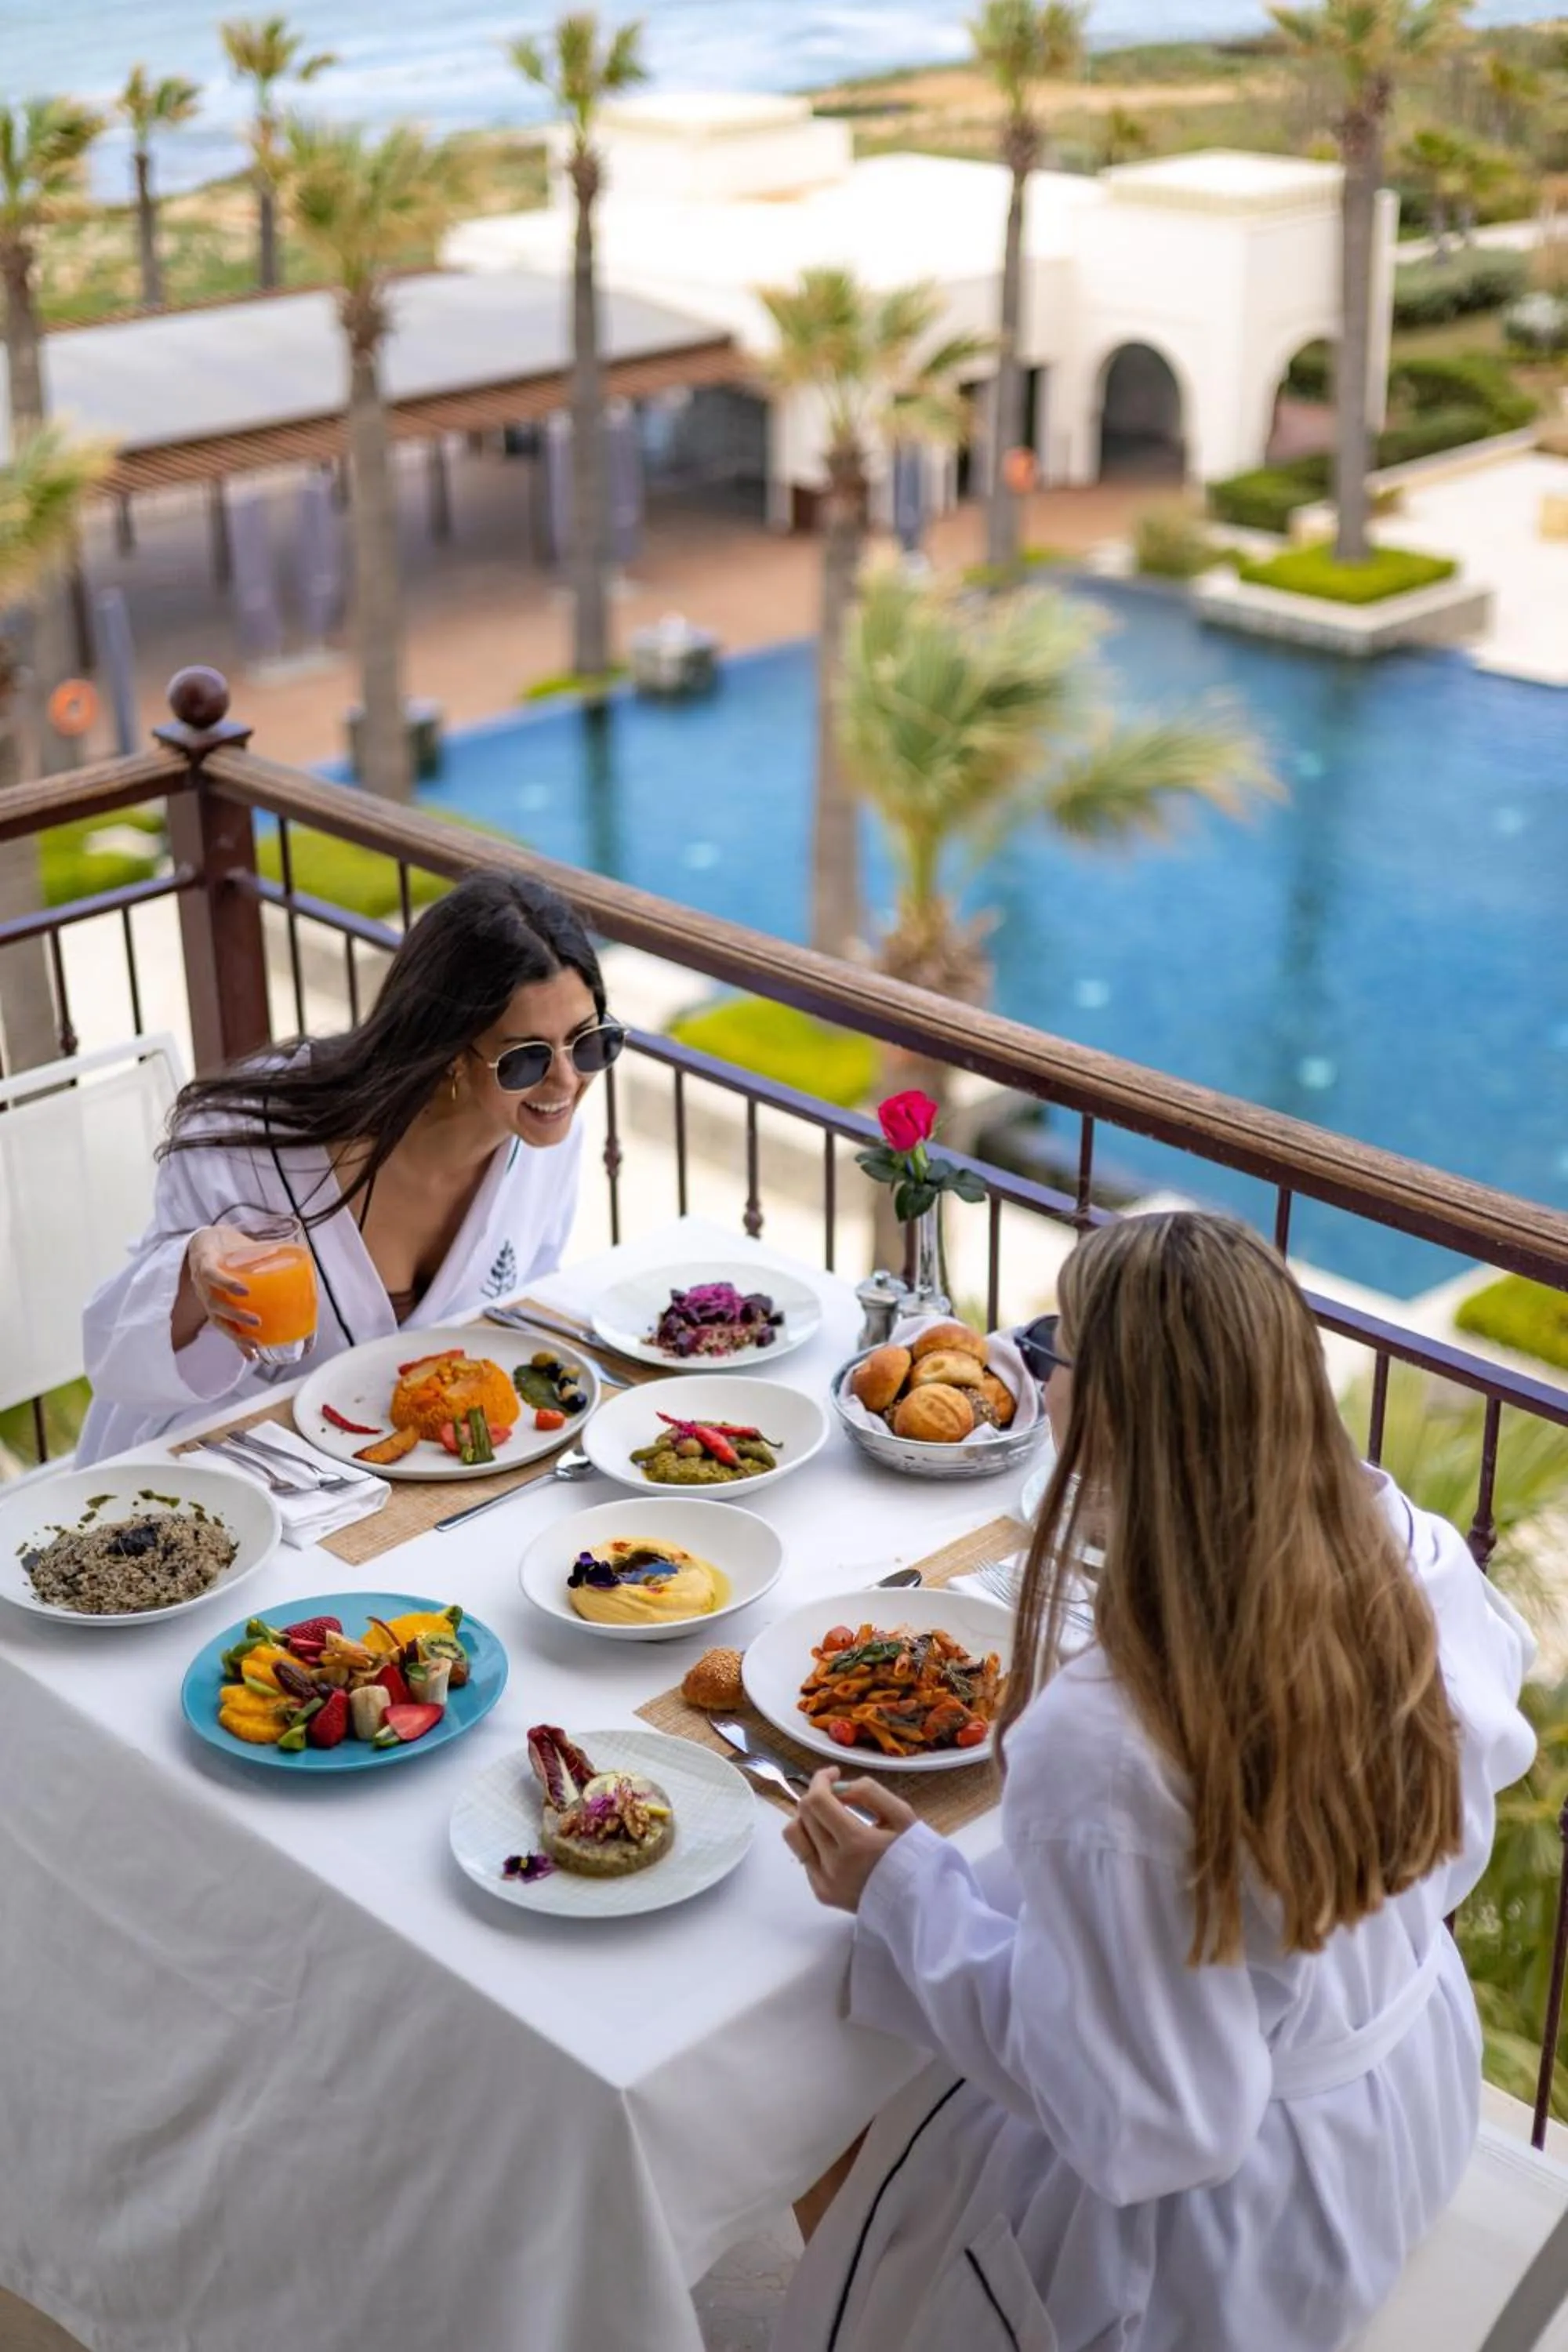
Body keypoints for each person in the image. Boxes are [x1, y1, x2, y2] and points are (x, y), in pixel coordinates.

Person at [775, 1210, 1536, 2352]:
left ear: (1114, 1406)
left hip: (1227, 2240)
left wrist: (900, 1889)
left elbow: (1148, 2125)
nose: (1032, 1370)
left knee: (820, 2110)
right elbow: (1468, 1799)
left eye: (1049, 1347)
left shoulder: (1112, 1740)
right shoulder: (1405, 1556)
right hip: (1400, 2094)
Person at [78, 869, 620, 1465]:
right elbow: (112, 1360)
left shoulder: (546, 1140)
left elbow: (515, 1314)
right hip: (212, 1471)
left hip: (402, 1480)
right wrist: (193, 1275)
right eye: (527, 1059)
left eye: (590, 1042)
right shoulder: (246, 1149)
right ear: (449, 1055)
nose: (567, 1081)